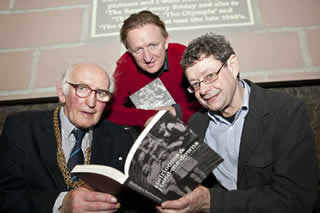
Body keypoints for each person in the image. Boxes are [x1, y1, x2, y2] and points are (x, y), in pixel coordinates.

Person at [156, 33, 319, 213]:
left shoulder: (285, 112)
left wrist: (211, 201)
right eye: (195, 84)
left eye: (210, 76)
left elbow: (296, 199)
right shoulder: (197, 124)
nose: (203, 90)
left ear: (232, 66)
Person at [0, 63, 133, 212]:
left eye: (101, 93)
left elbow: (131, 202)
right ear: (62, 93)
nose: (91, 103)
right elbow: (5, 196)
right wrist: (60, 204)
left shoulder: (119, 137)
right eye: (82, 89)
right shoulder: (21, 128)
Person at [107, 10, 201, 129]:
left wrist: (176, 111)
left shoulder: (182, 56)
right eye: (138, 50)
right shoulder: (125, 66)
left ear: (166, 41)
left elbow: (209, 99)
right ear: (129, 51)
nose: (147, 57)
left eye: (153, 45)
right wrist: (156, 116)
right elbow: (112, 112)